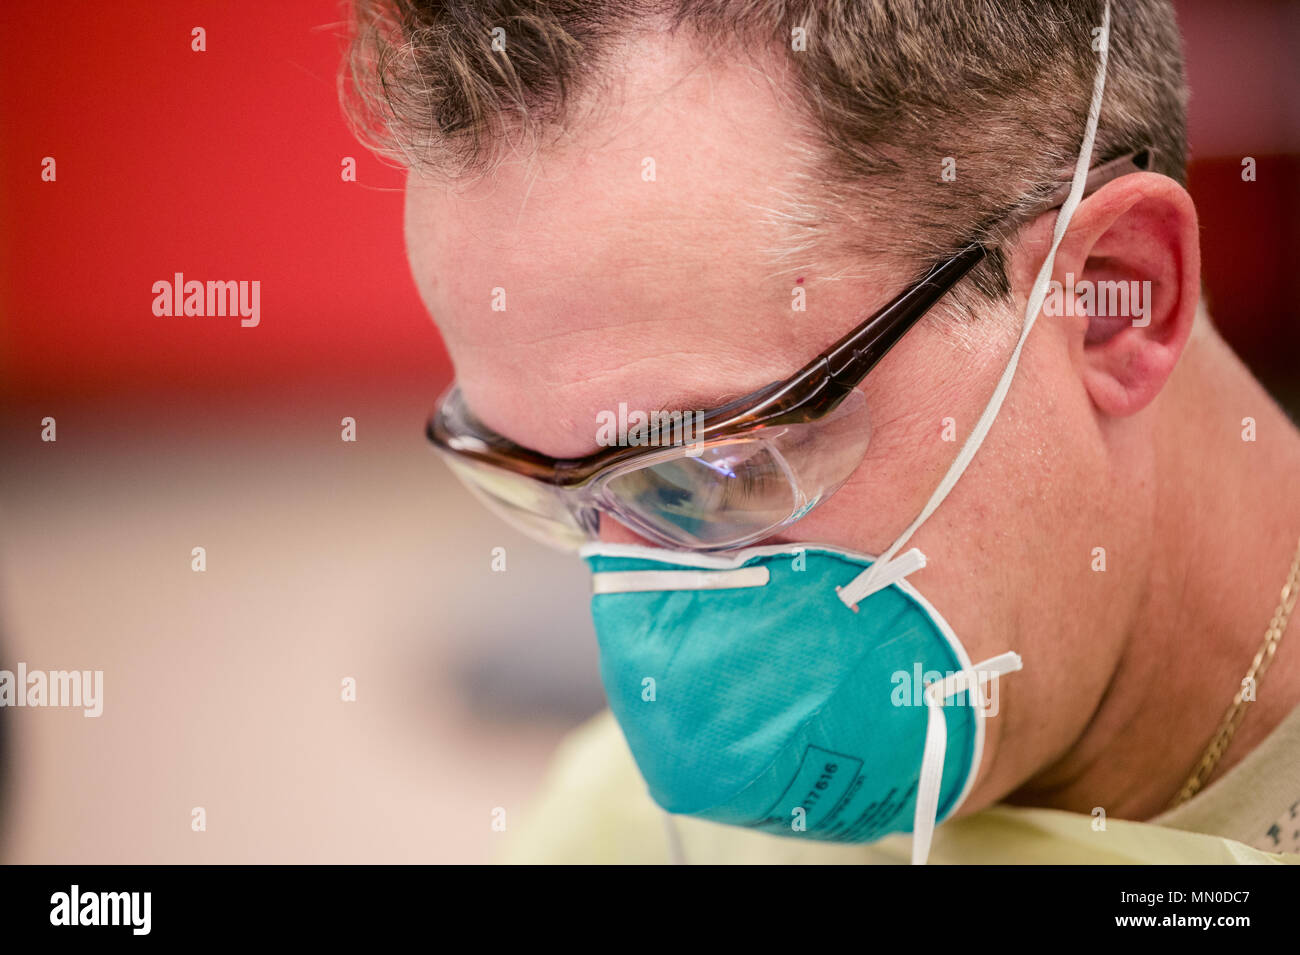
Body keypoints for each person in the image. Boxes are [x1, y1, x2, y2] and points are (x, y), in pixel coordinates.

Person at [345, 0, 1300, 863]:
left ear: (1113, 300)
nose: (641, 637)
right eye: (550, 488)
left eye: (720, 466)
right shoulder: (636, 838)